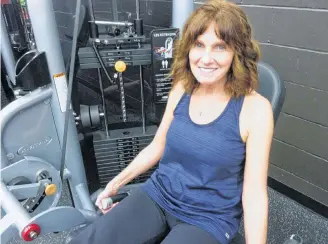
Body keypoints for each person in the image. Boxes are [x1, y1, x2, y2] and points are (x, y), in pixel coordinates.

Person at [69, 0, 273, 243]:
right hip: (160, 193)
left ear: (236, 53)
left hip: (209, 217)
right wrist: (116, 182)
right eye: (199, 45)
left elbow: (254, 194)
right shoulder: (182, 88)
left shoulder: (255, 109)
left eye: (220, 47)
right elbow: (158, 145)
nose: (206, 58)